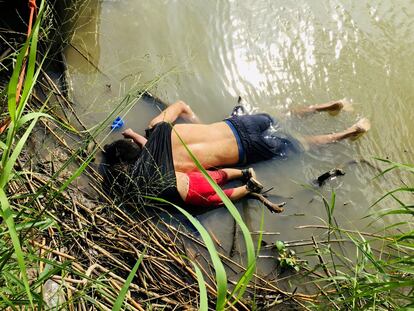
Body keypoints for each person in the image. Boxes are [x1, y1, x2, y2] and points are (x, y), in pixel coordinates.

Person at [103, 99, 370, 207]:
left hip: (247, 150)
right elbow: (182, 105)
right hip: (239, 125)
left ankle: (348, 132)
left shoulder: (172, 173)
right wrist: (201, 124)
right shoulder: (155, 128)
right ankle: (327, 106)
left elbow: (213, 178)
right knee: (282, 116)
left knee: (303, 143)